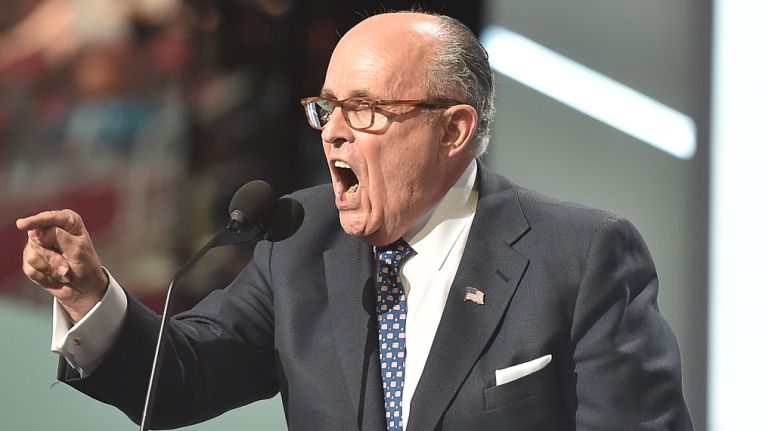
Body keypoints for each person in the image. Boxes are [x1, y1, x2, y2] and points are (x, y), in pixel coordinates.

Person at [17, 11, 693, 431]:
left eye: (365, 110)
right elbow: (177, 374)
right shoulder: (302, 239)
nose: (333, 133)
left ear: (454, 130)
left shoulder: (579, 258)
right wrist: (88, 294)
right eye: (326, 108)